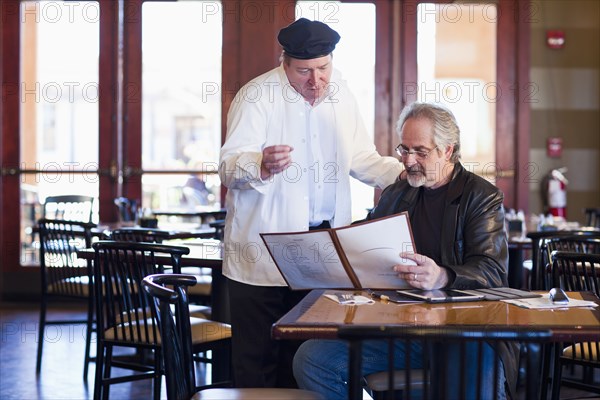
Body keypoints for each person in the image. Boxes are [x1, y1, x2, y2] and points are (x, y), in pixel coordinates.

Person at [218, 18, 402, 388]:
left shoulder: (342, 96)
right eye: (304, 71)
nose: (316, 81)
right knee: (257, 361)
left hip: (319, 250)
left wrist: (408, 173)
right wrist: (260, 164)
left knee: (306, 355)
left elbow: (363, 159)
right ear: (284, 62)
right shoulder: (256, 97)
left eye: (323, 68)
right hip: (263, 250)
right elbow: (227, 167)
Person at [293, 102, 519, 399]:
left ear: (447, 151)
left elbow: (491, 270)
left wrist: (442, 276)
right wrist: (329, 250)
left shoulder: (480, 196)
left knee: (472, 384)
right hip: (403, 328)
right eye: (404, 149)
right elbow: (366, 235)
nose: (409, 160)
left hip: (466, 330)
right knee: (312, 360)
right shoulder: (398, 192)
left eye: (420, 151)